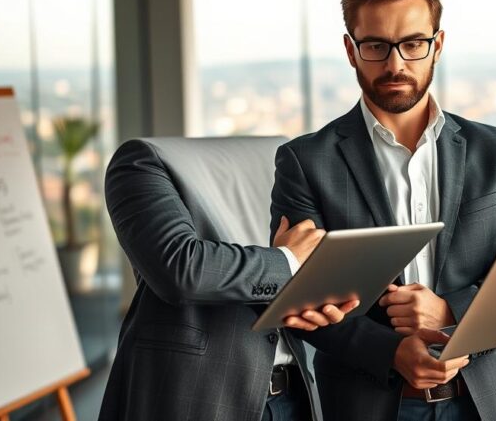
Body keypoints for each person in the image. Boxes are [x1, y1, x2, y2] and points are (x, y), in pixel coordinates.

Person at [270, 0, 496, 421]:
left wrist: (448, 311)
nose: (395, 64)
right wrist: (392, 351)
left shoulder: (495, 150)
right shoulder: (305, 161)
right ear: (350, 50)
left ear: (437, 45)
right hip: (369, 403)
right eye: (376, 45)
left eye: (413, 44)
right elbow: (300, 301)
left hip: (490, 401)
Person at [99, 138, 357, 421]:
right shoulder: (137, 162)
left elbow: (312, 254)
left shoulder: (285, 156)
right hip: (199, 399)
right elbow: (183, 269)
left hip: (293, 396)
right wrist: (288, 260)